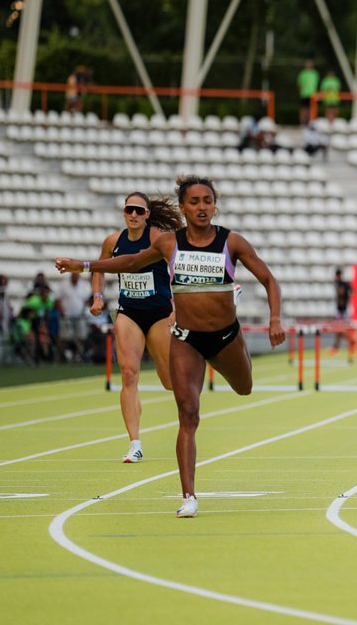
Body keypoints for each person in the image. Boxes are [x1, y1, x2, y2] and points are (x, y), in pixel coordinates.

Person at [56, 175, 284, 517]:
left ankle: (230, 300)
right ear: (183, 208)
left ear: (215, 205)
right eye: (195, 202)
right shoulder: (169, 244)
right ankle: (188, 496)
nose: (202, 207)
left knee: (245, 387)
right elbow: (129, 263)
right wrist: (85, 265)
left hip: (225, 336)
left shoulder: (231, 242)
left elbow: (269, 279)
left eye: (208, 201)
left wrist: (275, 318)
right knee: (188, 414)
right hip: (186, 339)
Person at [90, 193, 182, 463]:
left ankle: (189, 412)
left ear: (147, 215)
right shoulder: (113, 241)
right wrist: (97, 296)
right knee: (129, 374)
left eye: (139, 211)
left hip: (159, 314)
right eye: (129, 209)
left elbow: (177, 270)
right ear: (124, 212)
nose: (133, 215)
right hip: (128, 312)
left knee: (169, 380)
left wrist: (176, 306)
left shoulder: (158, 239)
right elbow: (99, 268)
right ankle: (135, 443)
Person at [332, 268, 352, 358]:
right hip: (339, 311)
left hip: (344, 311)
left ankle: (351, 342)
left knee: (343, 329)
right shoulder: (337, 284)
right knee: (338, 330)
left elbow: (350, 293)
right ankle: (336, 346)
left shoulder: (345, 284)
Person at [297, 59, 319, 125]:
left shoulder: (315, 73)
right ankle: (302, 123)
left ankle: (310, 123)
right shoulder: (302, 73)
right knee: (303, 109)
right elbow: (299, 84)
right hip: (304, 94)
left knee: (312, 109)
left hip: (312, 95)